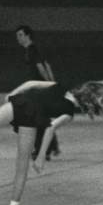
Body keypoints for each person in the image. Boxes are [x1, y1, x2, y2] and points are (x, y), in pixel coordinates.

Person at [16, 25, 61, 160]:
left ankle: (44, 149)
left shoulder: (32, 50)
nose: (18, 38)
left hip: (38, 88)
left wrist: (48, 83)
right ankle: (50, 146)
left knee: (36, 120)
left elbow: (41, 67)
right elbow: (47, 64)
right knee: (41, 119)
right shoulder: (33, 49)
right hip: (36, 87)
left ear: (28, 35)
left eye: (20, 35)